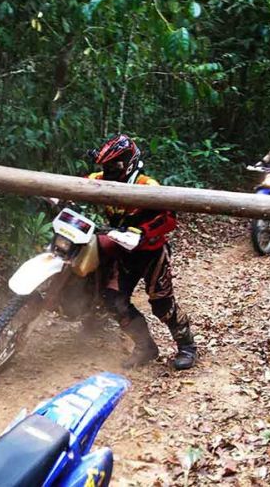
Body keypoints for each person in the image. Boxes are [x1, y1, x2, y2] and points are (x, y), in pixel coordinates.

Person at [87, 134, 196, 371]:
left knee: (162, 305)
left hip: (151, 252)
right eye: (106, 165)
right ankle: (145, 346)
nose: (110, 170)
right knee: (113, 300)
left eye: (115, 164)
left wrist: (143, 232)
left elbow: (169, 218)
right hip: (123, 251)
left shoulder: (148, 186)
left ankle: (186, 346)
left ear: (129, 162)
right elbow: (77, 185)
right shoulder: (99, 179)